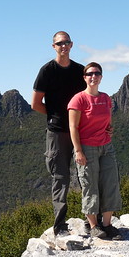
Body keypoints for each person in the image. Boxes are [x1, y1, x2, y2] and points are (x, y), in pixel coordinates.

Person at [32, 31, 87, 237]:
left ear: (72, 45)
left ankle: (91, 220)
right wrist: (54, 115)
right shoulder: (47, 71)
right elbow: (36, 104)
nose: (64, 46)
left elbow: (88, 100)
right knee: (60, 177)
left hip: (80, 129)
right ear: (53, 46)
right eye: (59, 43)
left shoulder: (80, 71)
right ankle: (59, 225)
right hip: (57, 132)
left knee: (86, 175)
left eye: (67, 42)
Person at [68, 62, 122, 239]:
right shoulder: (79, 99)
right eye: (90, 74)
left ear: (101, 77)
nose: (93, 76)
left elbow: (108, 122)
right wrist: (78, 151)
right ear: (84, 77)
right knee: (90, 186)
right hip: (87, 148)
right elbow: (73, 127)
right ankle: (93, 226)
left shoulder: (106, 98)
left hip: (106, 146)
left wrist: (110, 130)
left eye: (97, 73)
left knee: (110, 183)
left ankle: (107, 225)